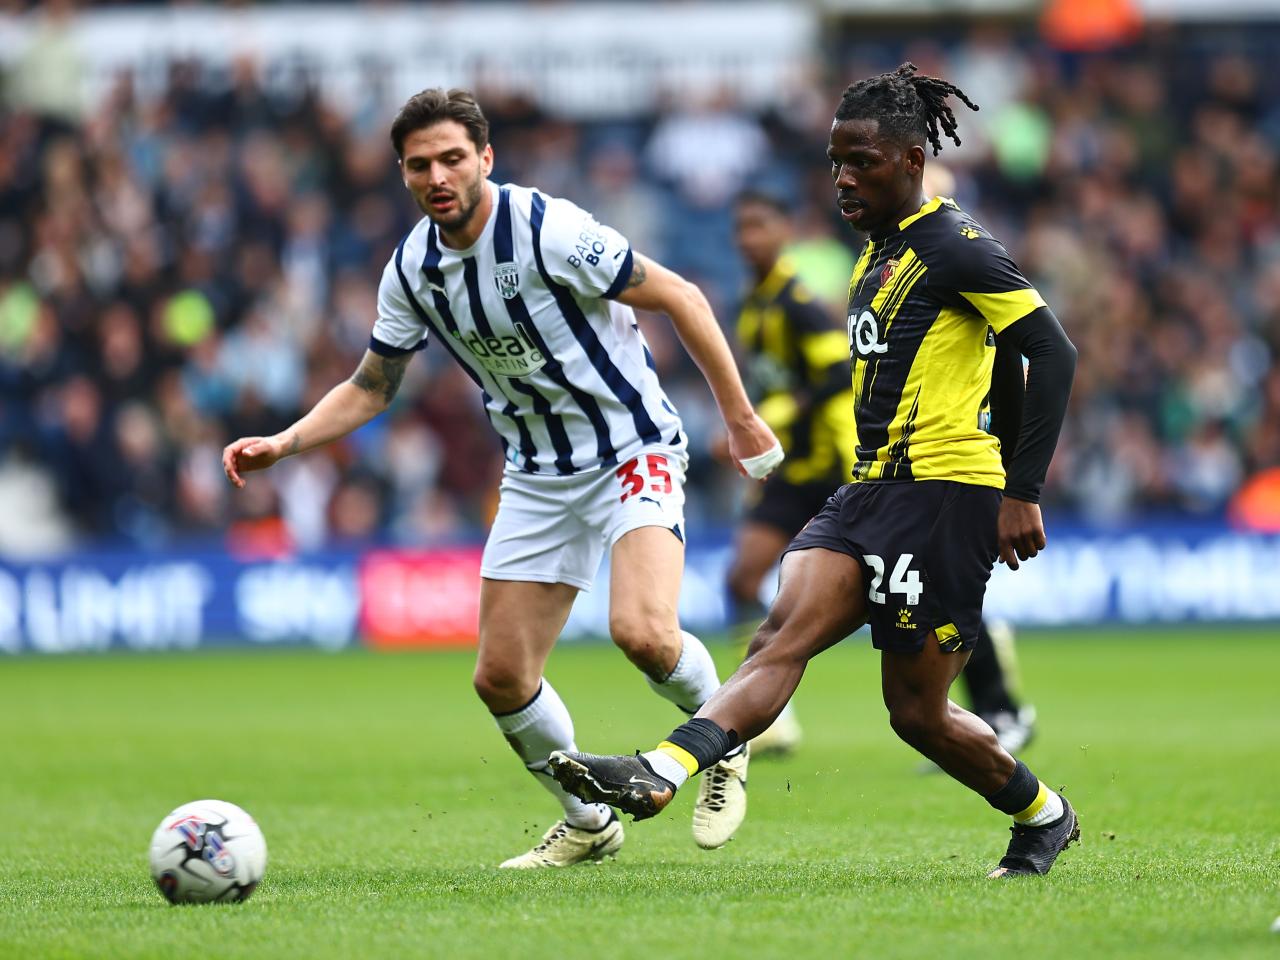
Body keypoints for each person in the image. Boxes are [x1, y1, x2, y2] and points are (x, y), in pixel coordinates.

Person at [221, 88, 781, 868]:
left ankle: (722, 740)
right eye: (419, 165)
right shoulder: (413, 268)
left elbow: (680, 296)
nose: (437, 175)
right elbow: (372, 385)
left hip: (632, 447)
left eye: (453, 158)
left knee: (643, 633)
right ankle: (589, 823)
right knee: (500, 676)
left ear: (485, 158)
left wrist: (740, 415)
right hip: (539, 474)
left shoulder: (551, 229)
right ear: (404, 175)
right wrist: (286, 442)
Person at [549, 63, 1081, 879]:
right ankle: (663, 771)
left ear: (911, 160)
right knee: (778, 636)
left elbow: (1045, 349)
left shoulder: (957, 245)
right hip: (866, 491)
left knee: (917, 714)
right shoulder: (876, 254)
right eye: (835, 161)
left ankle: (1043, 814)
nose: (843, 178)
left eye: (862, 160)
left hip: (944, 497)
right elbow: (1003, 364)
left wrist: (1022, 488)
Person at [730, 192, 1034, 761]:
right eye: (740, 229)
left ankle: (996, 698)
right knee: (744, 578)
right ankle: (765, 718)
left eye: (759, 226)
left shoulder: (801, 301)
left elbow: (831, 379)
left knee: (925, 600)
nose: (749, 239)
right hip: (792, 468)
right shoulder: (753, 305)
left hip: (844, 465)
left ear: (785, 230)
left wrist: (769, 419)